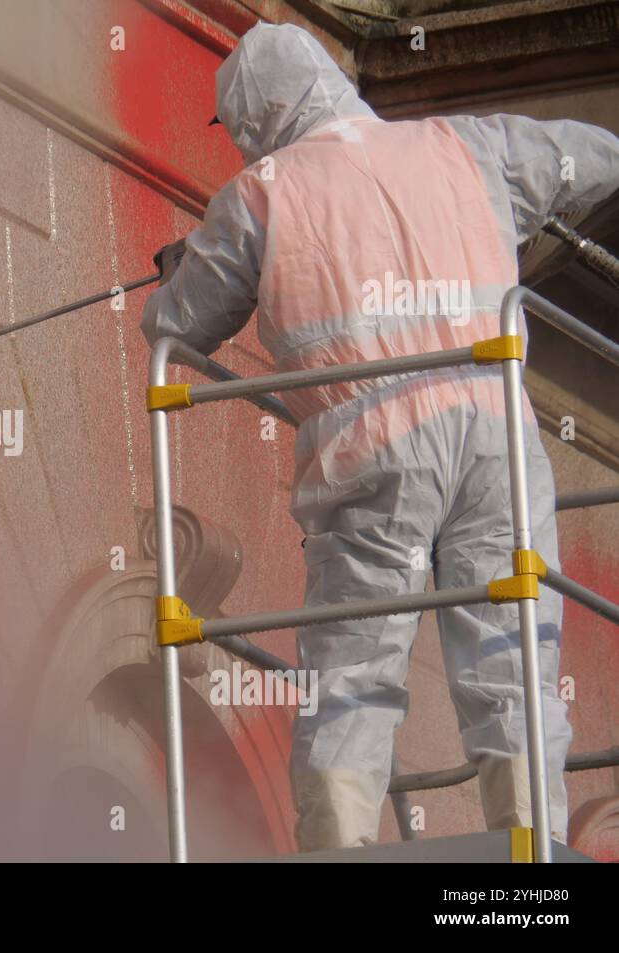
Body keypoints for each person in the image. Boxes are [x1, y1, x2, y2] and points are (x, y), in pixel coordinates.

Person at [141, 21, 619, 851]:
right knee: (514, 664)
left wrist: (185, 264)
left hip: (372, 457)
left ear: (263, 115)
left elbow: (175, 325)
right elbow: (594, 155)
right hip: (495, 443)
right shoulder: (463, 145)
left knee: (351, 678)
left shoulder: (261, 194)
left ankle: (338, 843)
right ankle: (534, 850)